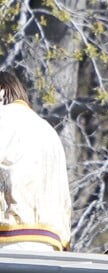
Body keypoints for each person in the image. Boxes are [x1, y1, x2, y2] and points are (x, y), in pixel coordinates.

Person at [0, 70, 71, 251]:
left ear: (1, 93)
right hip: (50, 246)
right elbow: (64, 201)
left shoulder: (3, 118)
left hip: (8, 237)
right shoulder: (48, 132)